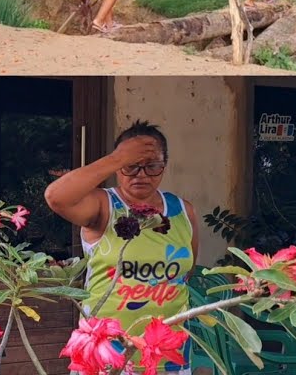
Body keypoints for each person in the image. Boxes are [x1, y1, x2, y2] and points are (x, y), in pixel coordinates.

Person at [45, 121, 199, 375]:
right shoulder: (103, 204)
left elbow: (186, 270)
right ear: (117, 166)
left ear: (164, 166)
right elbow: (56, 197)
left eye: (152, 166)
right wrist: (117, 157)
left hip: (168, 351)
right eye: (130, 166)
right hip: (106, 350)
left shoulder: (184, 210)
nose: (141, 174)